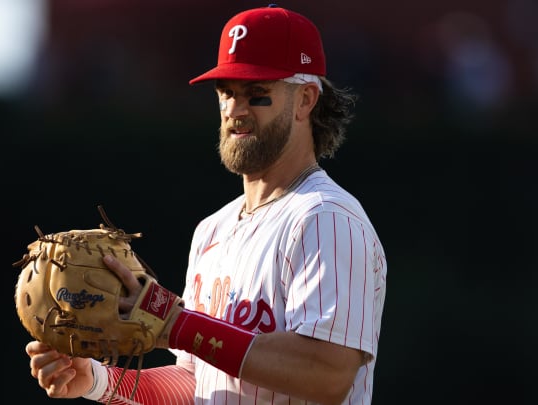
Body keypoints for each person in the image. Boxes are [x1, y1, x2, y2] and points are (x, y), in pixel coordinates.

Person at [25, 4, 387, 405]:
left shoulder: (325, 219)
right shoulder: (212, 231)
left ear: (305, 100)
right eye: (226, 93)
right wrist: (97, 381)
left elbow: (328, 372)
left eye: (257, 94)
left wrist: (178, 324)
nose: (235, 110)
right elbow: (195, 382)